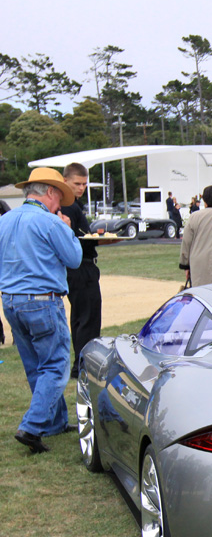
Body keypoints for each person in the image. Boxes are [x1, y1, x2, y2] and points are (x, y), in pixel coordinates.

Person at [0, 168, 82, 454]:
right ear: (49, 192)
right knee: (56, 365)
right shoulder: (51, 222)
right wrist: (68, 229)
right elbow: (74, 259)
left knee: (36, 365)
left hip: (10, 300)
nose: (60, 204)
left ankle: (55, 422)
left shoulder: (5, 220)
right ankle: (32, 427)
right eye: (59, 197)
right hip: (42, 300)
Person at [61, 162, 101, 379]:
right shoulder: (68, 207)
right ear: (65, 181)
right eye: (77, 183)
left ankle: (81, 363)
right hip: (80, 267)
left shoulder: (73, 205)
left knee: (80, 316)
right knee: (88, 317)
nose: (81, 188)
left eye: (84, 184)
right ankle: (83, 364)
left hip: (78, 266)